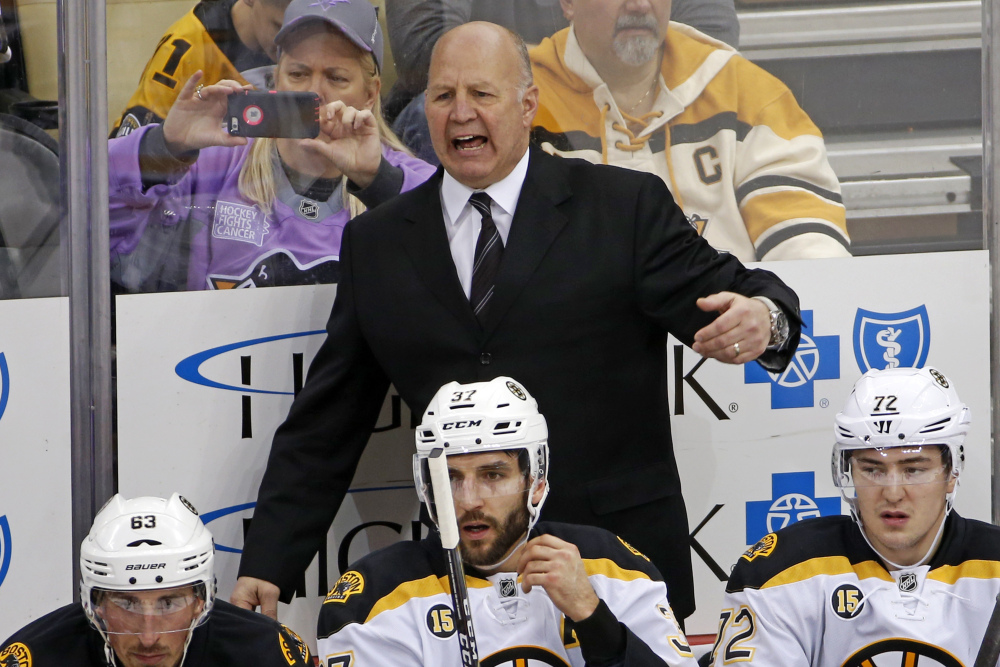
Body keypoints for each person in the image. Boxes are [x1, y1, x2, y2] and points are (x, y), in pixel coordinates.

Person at [233, 21, 801, 623]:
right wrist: (268, 563)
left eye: (482, 94)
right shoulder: (376, 242)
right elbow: (328, 423)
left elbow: (745, 292)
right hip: (460, 588)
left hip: (618, 573)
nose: (460, 114)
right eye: (443, 95)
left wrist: (765, 319)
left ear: (528, 103)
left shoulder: (622, 208)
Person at [317, 377, 698, 666]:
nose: (469, 501)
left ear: (535, 481)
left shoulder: (612, 566)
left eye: (493, 475)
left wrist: (592, 616)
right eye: (450, 478)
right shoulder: (374, 597)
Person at [108, 0, 435, 292]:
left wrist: (377, 180)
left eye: (336, 77)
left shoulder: (408, 180)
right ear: (276, 79)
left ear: (371, 93)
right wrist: (164, 148)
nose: (314, 92)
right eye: (297, 73)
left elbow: (463, 265)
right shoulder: (217, 161)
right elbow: (96, 229)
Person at [710, 366, 1000, 666]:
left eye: (914, 469)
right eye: (872, 469)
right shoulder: (779, 575)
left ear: (951, 472)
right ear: (847, 470)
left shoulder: (994, 569)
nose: (892, 493)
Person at [529, 0, 852, 262]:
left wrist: (769, 311)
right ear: (568, 3)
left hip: (735, 326)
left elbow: (807, 239)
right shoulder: (520, 102)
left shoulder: (744, 90)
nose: (640, 5)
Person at [384, 0, 741, 163]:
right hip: (506, 108)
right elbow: (423, 51)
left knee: (720, 101)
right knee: (447, 108)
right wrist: (573, 67)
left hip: (635, 101)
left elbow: (712, 40)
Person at [0, 493, 312, 667]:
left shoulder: (264, 656)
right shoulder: (34, 659)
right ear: (96, 605)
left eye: (168, 602)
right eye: (126, 603)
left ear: (201, 602)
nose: (149, 637)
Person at [112, 0, 291, 137]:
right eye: (278, 26)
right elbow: (131, 153)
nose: (289, 44)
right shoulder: (187, 49)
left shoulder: (308, 41)